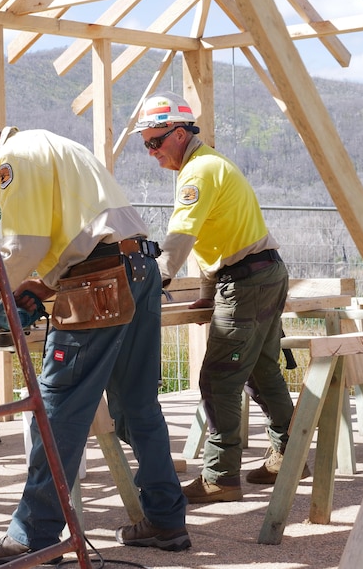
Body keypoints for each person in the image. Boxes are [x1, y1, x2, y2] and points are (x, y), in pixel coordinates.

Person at [0, 110, 190, 564]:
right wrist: (35, 288)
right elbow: (68, 244)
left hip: (100, 282)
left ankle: (35, 535)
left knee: (55, 409)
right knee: (137, 406)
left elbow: (25, 247)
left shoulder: (13, 159)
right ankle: (166, 520)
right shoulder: (52, 145)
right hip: (138, 269)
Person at [131, 92, 308, 503]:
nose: (151, 153)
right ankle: (290, 455)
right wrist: (208, 294)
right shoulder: (209, 164)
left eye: (155, 142)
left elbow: (179, 238)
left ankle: (221, 478)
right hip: (264, 272)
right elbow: (216, 241)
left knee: (218, 379)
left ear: (179, 134)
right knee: (262, 371)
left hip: (247, 282)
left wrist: (151, 284)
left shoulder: (197, 173)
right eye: (146, 145)